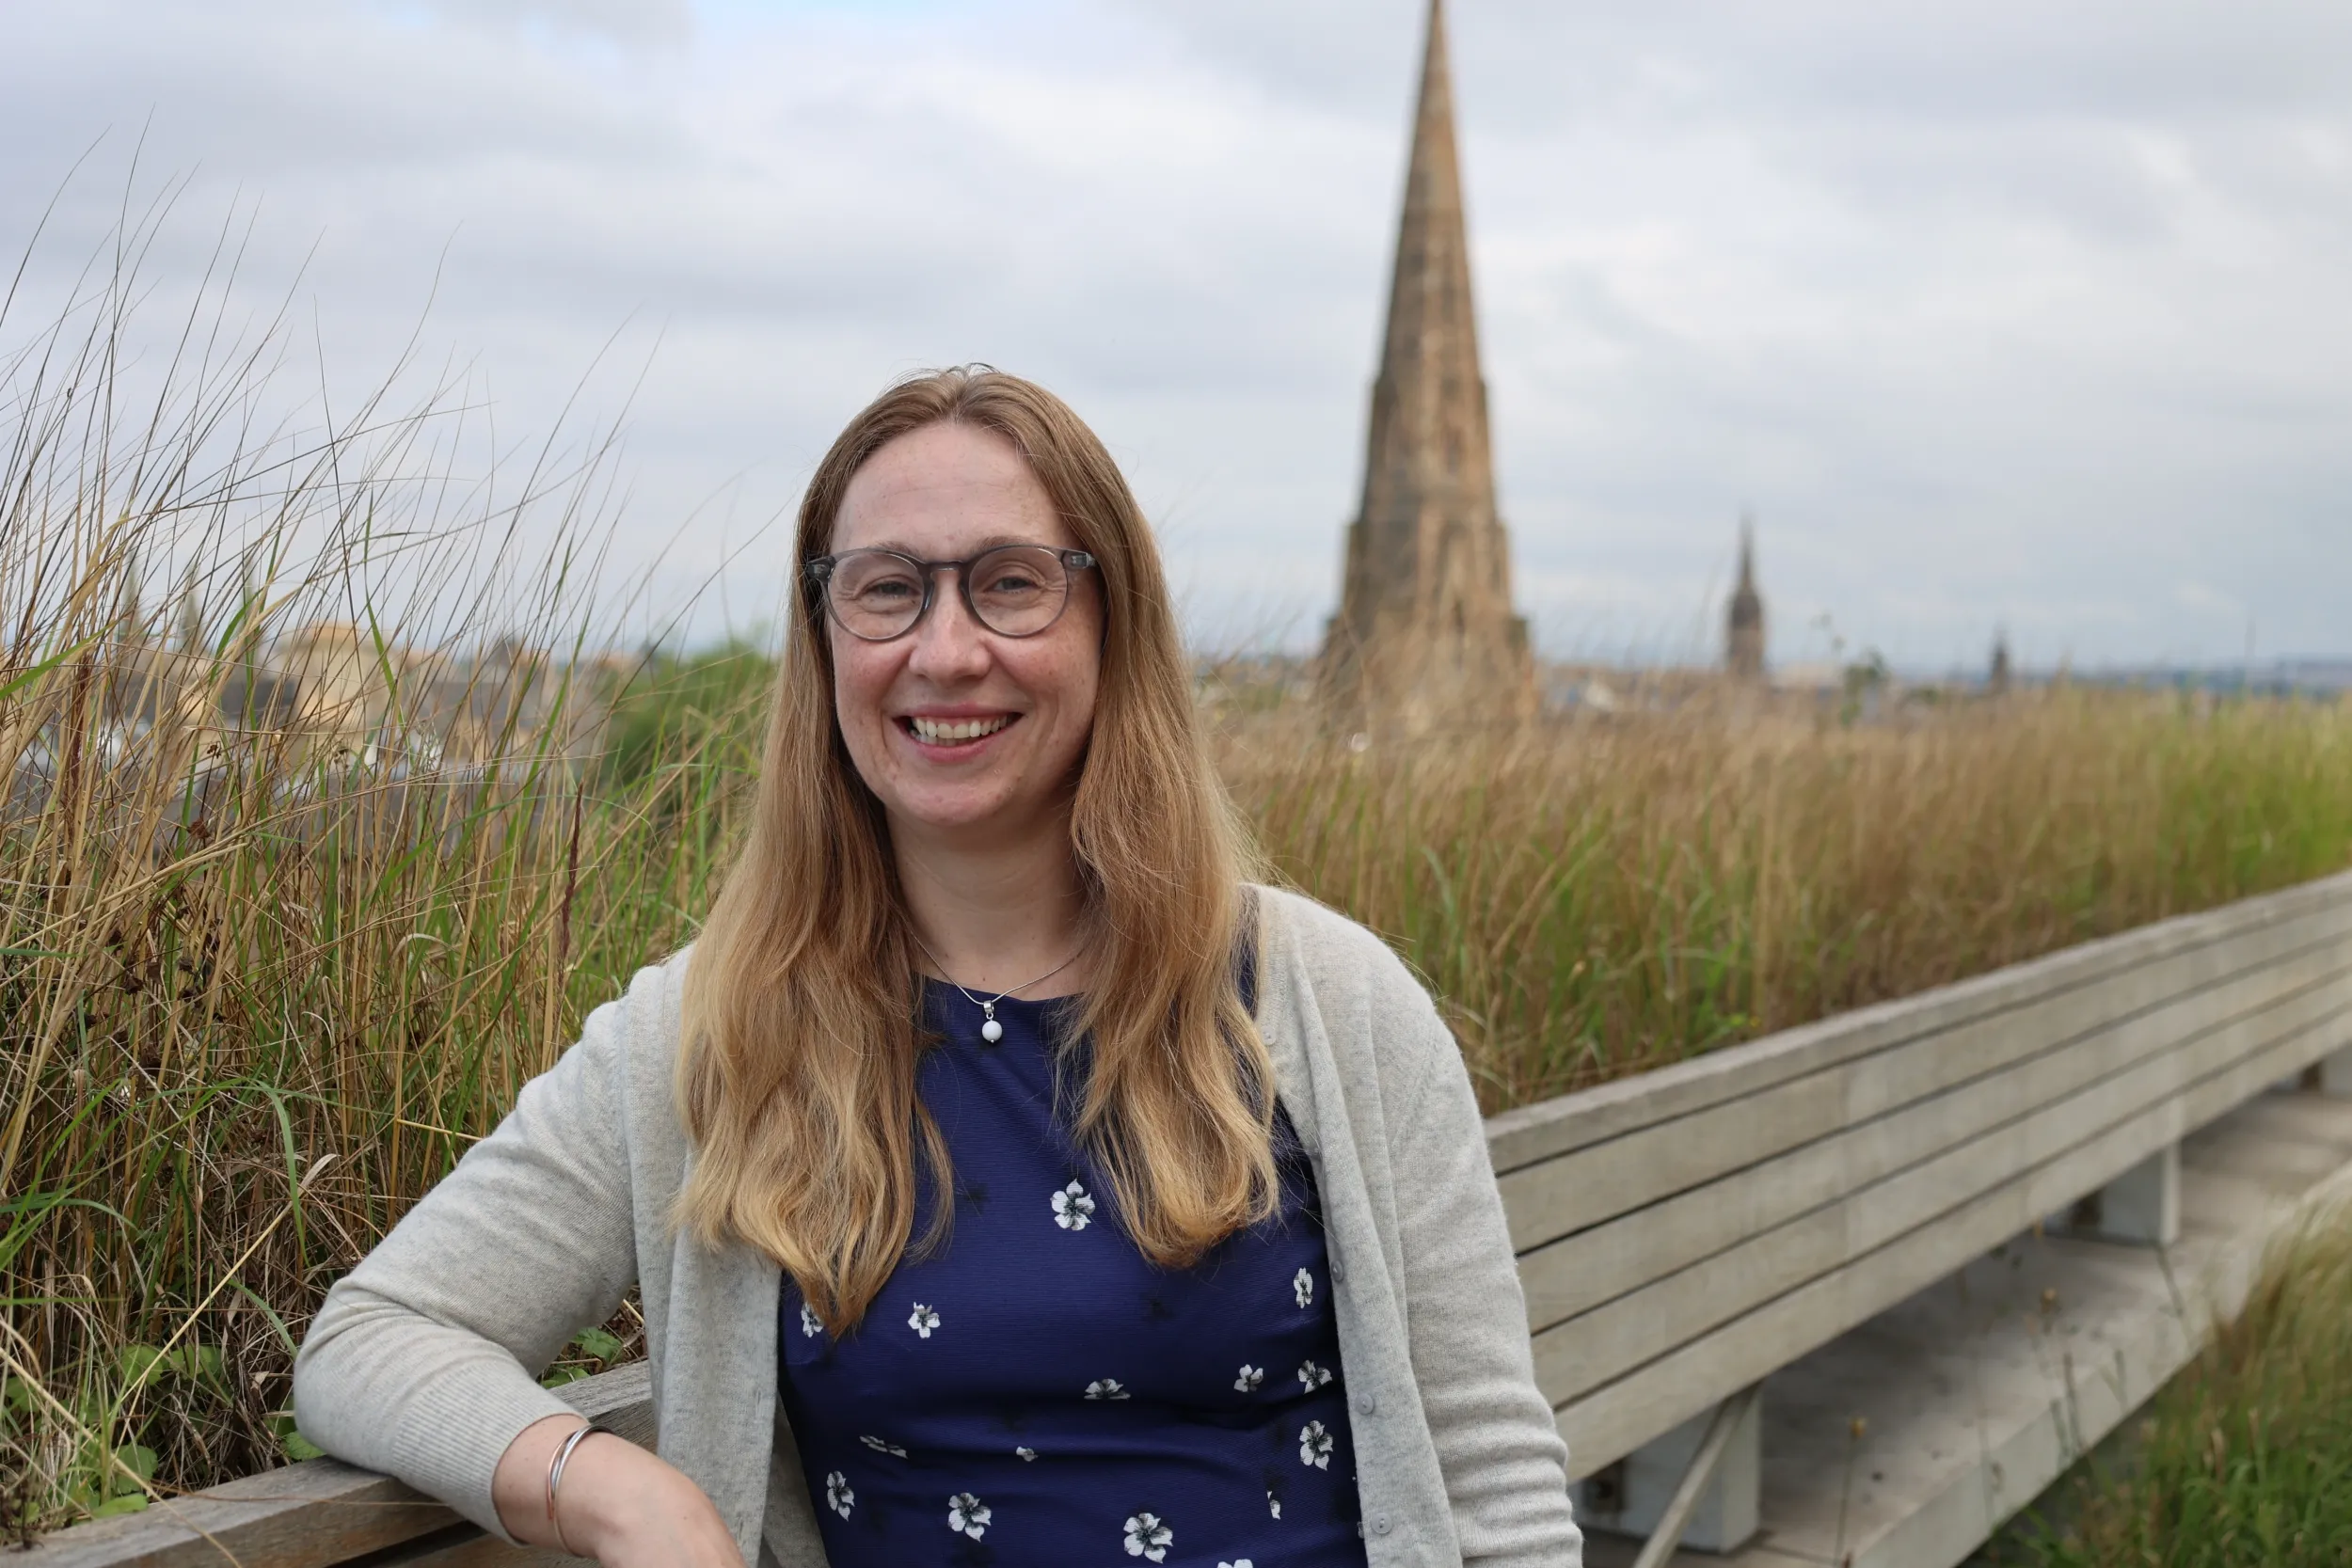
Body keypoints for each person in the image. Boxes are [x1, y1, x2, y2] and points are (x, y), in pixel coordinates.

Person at [293, 367, 1581, 1567]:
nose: (947, 649)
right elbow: (373, 1338)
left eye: (1011, 583)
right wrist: (622, 1487)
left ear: (1111, 621)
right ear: (826, 634)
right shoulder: (708, 1031)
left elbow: (1494, 1479)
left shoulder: (1326, 1002)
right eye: (889, 587)